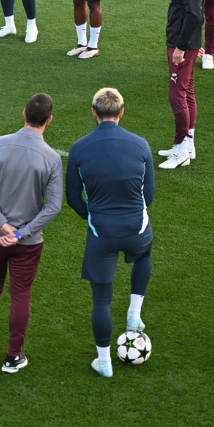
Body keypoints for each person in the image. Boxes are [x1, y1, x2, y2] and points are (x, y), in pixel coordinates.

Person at [65, 88, 155, 378]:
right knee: (144, 253)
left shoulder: (79, 148)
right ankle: (133, 312)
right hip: (136, 228)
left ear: (94, 113)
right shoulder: (141, 144)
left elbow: (73, 196)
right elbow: (148, 194)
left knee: (101, 300)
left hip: (101, 231)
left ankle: (103, 362)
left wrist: (91, 216)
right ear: (122, 112)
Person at [0, 93, 62, 373]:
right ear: (49, 120)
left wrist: (0, 224)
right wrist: (21, 233)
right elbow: (54, 206)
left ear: (24, 113)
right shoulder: (52, 158)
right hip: (27, 243)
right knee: (20, 294)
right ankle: (13, 356)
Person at [158, 0, 204, 169]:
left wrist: (183, 46)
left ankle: (182, 149)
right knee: (186, 91)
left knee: (177, 94)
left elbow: (194, 14)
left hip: (181, 42)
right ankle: (187, 144)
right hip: (186, 40)